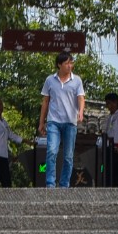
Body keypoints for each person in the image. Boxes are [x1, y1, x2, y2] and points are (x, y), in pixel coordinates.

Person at [37, 51, 85, 189]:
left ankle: (64, 185)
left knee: (68, 156)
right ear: (59, 65)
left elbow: (81, 98)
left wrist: (80, 112)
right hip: (54, 122)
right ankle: (50, 183)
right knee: (52, 151)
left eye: (71, 62)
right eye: (67, 63)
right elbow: (45, 102)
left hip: (70, 122)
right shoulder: (50, 80)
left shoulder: (77, 80)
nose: (70, 66)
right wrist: (42, 122)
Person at [100, 91, 118, 187]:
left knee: (115, 169)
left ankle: (116, 187)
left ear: (116, 102)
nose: (109, 106)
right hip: (109, 146)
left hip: (117, 146)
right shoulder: (110, 117)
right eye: (108, 104)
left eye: (111, 103)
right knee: (105, 167)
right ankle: (108, 186)